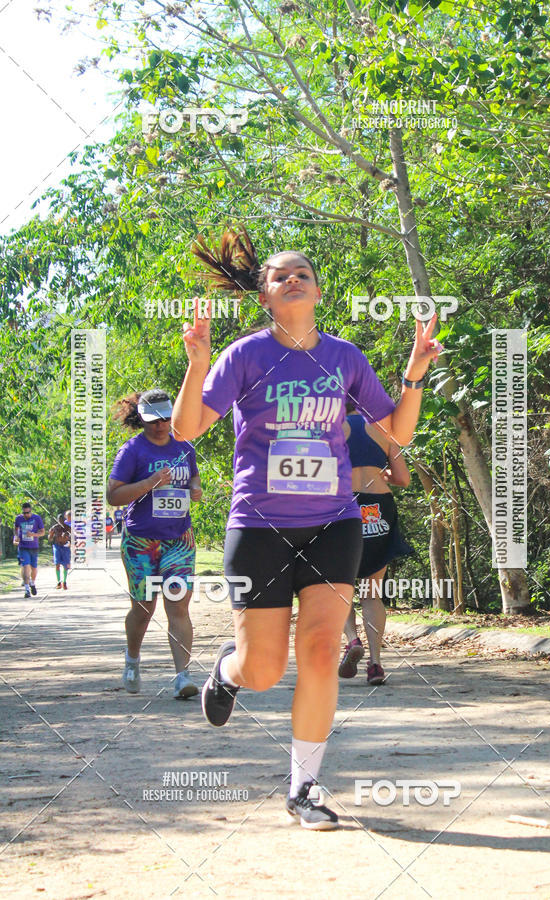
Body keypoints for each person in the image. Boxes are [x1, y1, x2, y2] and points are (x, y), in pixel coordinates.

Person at [172, 227, 442, 830]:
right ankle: (227, 669)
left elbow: (395, 433)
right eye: (279, 275)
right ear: (265, 295)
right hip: (259, 525)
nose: (292, 279)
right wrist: (196, 366)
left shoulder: (345, 357)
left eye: (303, 274)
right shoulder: (244, 355)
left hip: (333, 522)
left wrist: (414, 376)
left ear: (318, 291)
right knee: (264, 670)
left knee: (320, 649)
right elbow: (188, 429)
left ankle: (305, 788)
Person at [106, 389, 203, 700]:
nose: (160, 426)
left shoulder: (185, 447)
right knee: (144, 607)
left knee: (178, 605)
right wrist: (148, 484)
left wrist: (196, 488)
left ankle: (182, 676)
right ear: (142, 419)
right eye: (153, 421)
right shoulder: (132, 451)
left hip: (179, 540)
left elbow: (194, 479)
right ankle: (132, 659)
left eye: (165, 419)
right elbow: (113, 495)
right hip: (141, 541)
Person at [338, 409, 414, 685]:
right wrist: (384, 475)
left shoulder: (331, 427)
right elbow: (403, 479)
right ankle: (375, 664)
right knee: (372, 591)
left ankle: (352, 639)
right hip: (379, 507)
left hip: (343, 505)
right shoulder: (384, 430)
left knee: (339, 585)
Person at [14, 502, 45, 598]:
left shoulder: (37, 518)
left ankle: (32, 583)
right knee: (26, 566)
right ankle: (27, 589)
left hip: (34, 547)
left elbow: (43, 532)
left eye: (28, 513)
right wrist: (16, 537)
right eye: (24, 513)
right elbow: (16, 529)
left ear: (31, 511)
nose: (26, 515)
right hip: (23, 547)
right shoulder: (18, 518)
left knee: (34, 568)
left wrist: (33, 535)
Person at [47, 512, 71, 589]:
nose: (60, 521)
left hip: (65, 547)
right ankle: (58, 582)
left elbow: (73, 537)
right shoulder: (54, 528)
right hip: (57, 546)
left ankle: (64, 581)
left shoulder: (67, 527)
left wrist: (67, 537)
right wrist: (50, 534)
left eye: (62, 520)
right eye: (59, 520)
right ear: (57, 520)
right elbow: (50, 539)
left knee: (65, 565)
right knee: (57, 564)